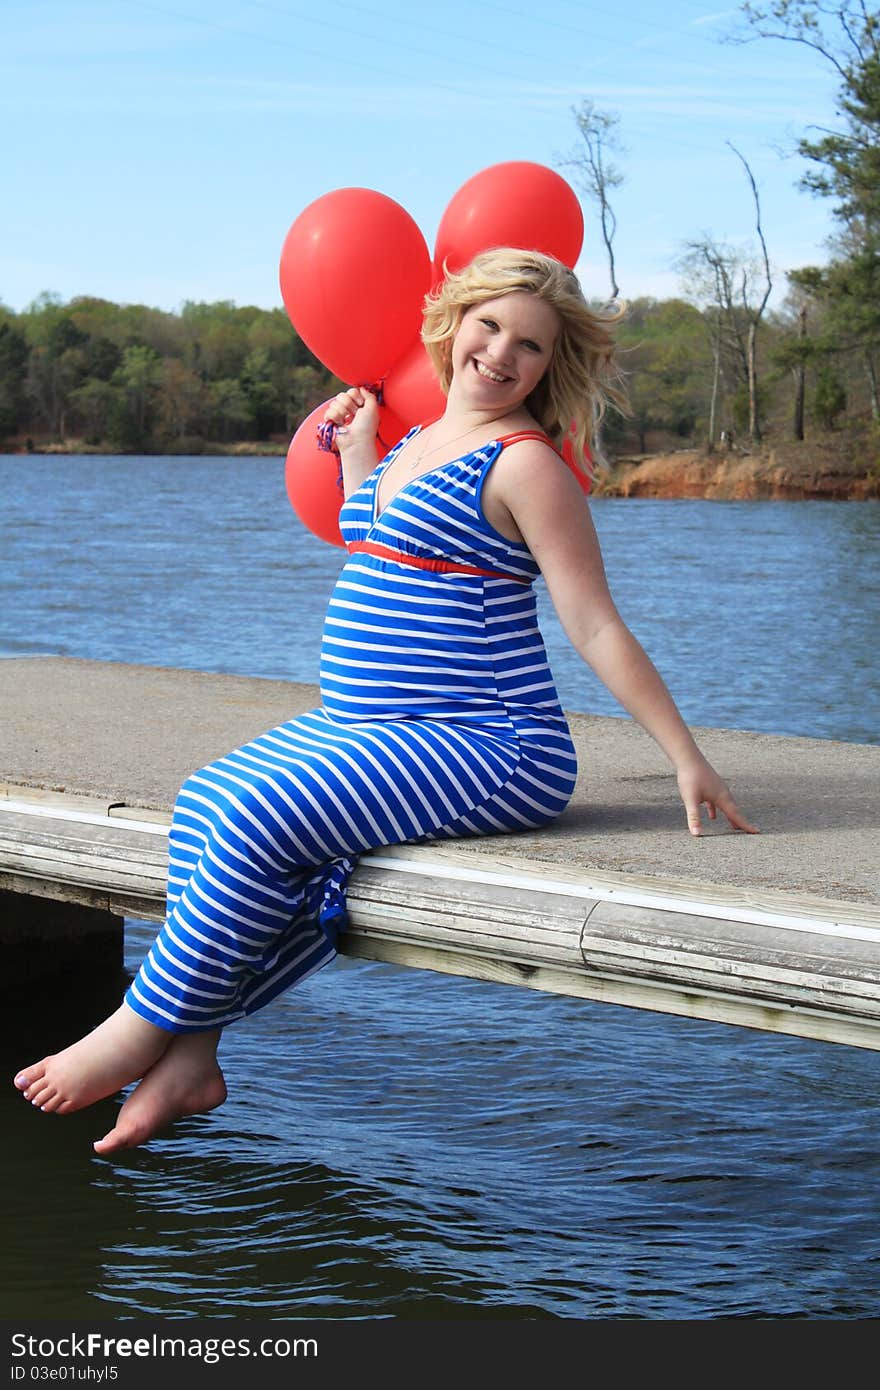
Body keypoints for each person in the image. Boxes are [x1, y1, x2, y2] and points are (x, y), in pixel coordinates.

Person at [13, 248, 757, 1155]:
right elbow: (371, 524)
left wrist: (686, 756)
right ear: (455, 325)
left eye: (529, 344)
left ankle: (137, 1031)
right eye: (489, 325)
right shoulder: (418, 440)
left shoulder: (526, 465)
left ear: (548, 367)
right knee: (210, 799)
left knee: (257, 814)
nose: (501, 353)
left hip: (490, 743)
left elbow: (594, 624)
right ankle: (197, 1050)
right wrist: (361, 447)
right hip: (366, 729)